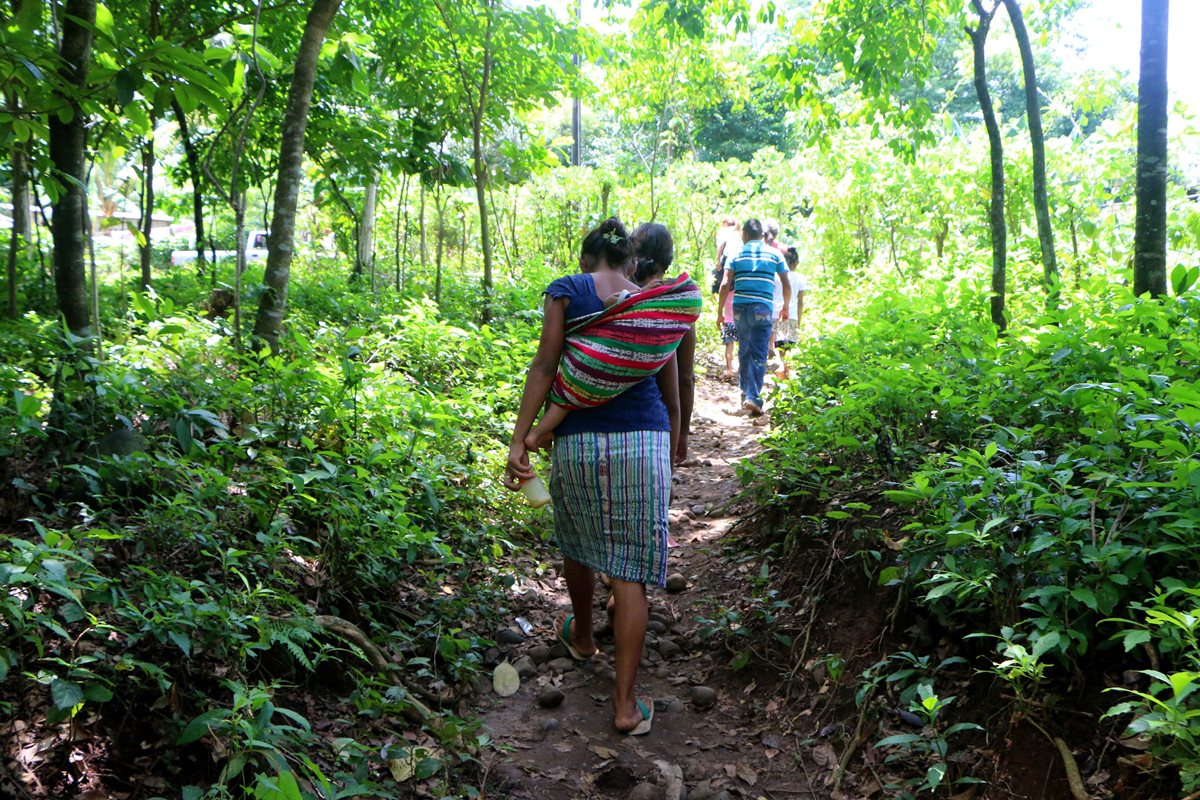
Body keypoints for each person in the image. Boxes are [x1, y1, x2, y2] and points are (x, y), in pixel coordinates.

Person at [505, 217, 677, 736]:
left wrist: (520, 438)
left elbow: (544, 365)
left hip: (576, 441)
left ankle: (582, 637)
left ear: (584, 260)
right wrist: (676, 438)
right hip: (643, 441)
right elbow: (669, 386)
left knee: (578, 544)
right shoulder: (652, 302)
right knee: (630, 573)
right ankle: (625, 706)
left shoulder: (566, 292)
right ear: (630, 262)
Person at [522, 266, 701, 452]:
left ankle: (538, 433)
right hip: (614, 382)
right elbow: (680, 384)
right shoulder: (661, 323)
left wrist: (639, 294)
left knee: (566, 397)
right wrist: (640, 293)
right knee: (567, 397)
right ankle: (540, 433)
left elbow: (609, 302)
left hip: (593, 363)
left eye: (663, 284)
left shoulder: (648, 312)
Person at [631, 221, 697, 466]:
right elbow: (686, 378)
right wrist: (682, 432)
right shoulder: (679, 301)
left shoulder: (612, 296)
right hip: (655, 421)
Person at [716, 218, 790, 416]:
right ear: (761, 235)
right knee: (759, 351)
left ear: (744, 235)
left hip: (740, 307)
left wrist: (720, 312)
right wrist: (786, 308)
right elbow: (786, 282)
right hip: (763, 308)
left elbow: (724, 284)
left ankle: (745, 390)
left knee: (745, 348)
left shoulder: (735, 253)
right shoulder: (775, 254)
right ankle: (753, 395)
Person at [773, 246, 807, 380]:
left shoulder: (776, 276)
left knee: (779, 343)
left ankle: (782, 366)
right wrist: (799, 319)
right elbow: (800, 302)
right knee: (789, 344)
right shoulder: (800, 278)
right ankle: (785, 370)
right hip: (791, 313)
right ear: (796, 263)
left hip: (777, 313)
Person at [712, 216, 741, 295]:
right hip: (738, 259)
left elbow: (721, 245)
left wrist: (718, 260)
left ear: (725, 224)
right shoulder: (738, 232)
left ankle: (718, 302)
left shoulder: (725, 231)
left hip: (728, 258)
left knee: (718, 282)